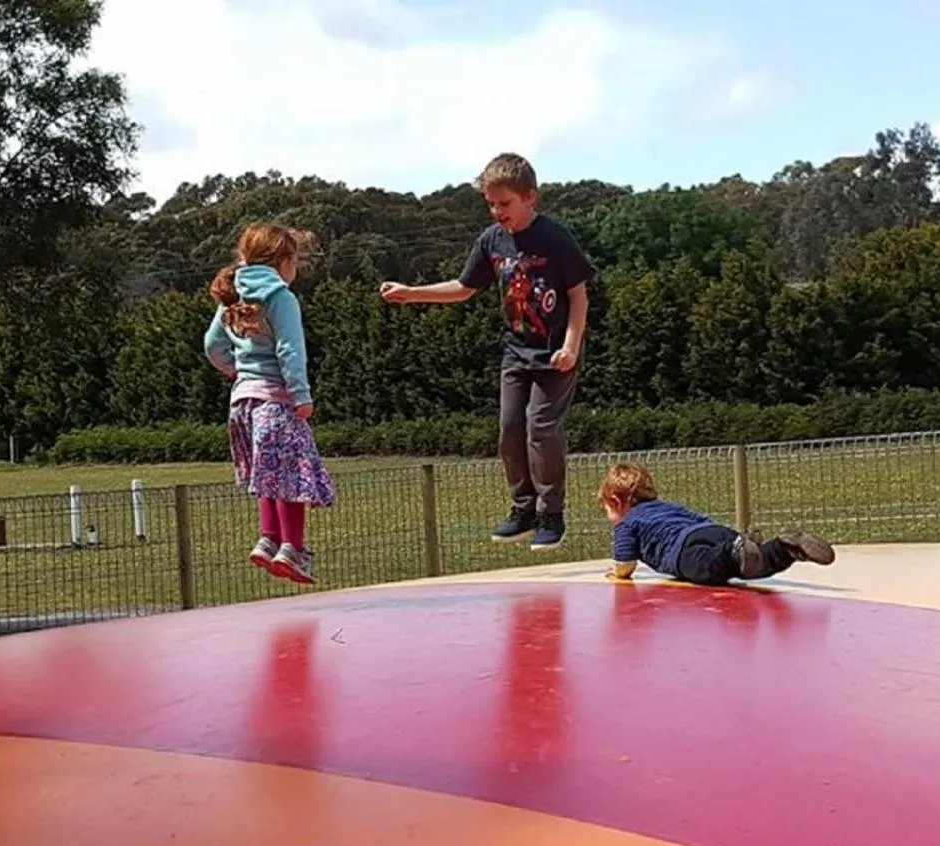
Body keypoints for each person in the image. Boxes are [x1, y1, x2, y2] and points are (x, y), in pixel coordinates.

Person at [379, 152, 593, 552]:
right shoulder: (491, 241)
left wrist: (570, 345)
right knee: (511, 430)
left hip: (554, 353)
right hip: (516, 353)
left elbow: (578, 296)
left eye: (505, 203)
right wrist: (411, 293)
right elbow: (464, 288)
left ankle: (552, 515)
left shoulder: (555, 238)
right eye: (491, 204)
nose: (498, 212)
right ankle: (523, 509)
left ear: (531, 198)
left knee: (541, 428)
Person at [203, 223, 335, 585]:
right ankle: (292, 549)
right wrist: (301, 395)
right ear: (283, 261)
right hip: (275, 402)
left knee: (268, 474)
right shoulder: (280, 297)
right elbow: (290, 349)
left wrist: (236, 373)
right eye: (296, 262)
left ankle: (267, 540)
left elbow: (213, 346)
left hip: (242, 406)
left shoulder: (232, 295)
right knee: (290, 476)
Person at [597, 462, 835, 585]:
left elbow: (625, 564)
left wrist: (617, 575)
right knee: (753, 566)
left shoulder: (627, 523)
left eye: (606, 509)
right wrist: (731, 537)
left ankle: (734, 551)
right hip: (712, 531)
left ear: (616, 501)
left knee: (705, 568)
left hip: (682, 549)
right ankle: (783, 548)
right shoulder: (668, 507)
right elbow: (700, 520)